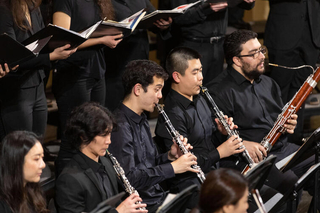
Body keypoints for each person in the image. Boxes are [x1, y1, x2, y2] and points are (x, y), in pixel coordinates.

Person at [207, 30, 317, 208]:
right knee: (289, 183)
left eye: (261, 50)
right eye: (254, 53)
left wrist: (290, 124)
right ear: (236, 60)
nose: (261, 57)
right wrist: (243, 144)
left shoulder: (268, 83)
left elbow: (279, 121)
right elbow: (213, 136)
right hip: (250, 159)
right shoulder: (218, 91)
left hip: (281, 148)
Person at [109, 59, 199, 212]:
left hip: (157, 197)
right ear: (138, 89)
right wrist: (173, 167)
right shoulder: (119, 127)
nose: (160, 96)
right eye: (156, 89)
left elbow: (149, 163)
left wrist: (170, 156)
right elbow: (130, 178)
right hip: (143, 206)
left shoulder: (141, 118)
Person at [155, 47, 245, 195]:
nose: (201, 77)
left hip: (213, 171)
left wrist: (222, 133)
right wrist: (220, 152)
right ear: (177, 77)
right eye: (195, 73)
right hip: (190, 183)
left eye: (201, 71)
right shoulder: (172, 114)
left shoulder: (201, 98)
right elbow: (185, 161)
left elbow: (206, 142)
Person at [52, 0, 123, 175]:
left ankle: (91, 185)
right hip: (73, 74)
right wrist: (101, 39)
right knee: (73, 140)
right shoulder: (65, 2)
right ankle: (67, 191)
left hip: (96, 70)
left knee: (96, 133)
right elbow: (62, 42)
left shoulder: (98, 1)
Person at [0, 0, 76, 141]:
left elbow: (42, 42)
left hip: (38, 85)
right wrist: (51, 56)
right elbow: (12, 57)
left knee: (37, 144)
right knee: (21, 148)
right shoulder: (5, 10)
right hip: (17, 90)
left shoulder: (33, 7)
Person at [55, 102, 148, 213]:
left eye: (109, 134)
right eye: (103, 135)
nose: (109, 141)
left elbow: (113, 203)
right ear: (84, 136)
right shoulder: (69, 180)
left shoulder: (106, 162)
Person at [264, 0, 320, 143]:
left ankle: (294, 142)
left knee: (302, 92)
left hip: (311, 35)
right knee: (278, 91)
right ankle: (272, 142)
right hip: (283, 32)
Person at [104, 0, 172, 111]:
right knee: (116, 105)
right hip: (116, 60)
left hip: (140, 57)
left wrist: (163, 25)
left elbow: (153, 16)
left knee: (139, 103)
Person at [169, 0, 255, 86]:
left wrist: (248, 2)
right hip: (194, 45)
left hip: (219, 45)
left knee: (215, 91)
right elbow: (177, 18)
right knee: (192, 90)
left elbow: (244, 6)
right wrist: (205, 9)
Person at [0, 131, 47, 213]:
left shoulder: (33, 190)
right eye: (36, 159)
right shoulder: (3, 205)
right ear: (17, 162)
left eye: (42, 158)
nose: (43, 165)